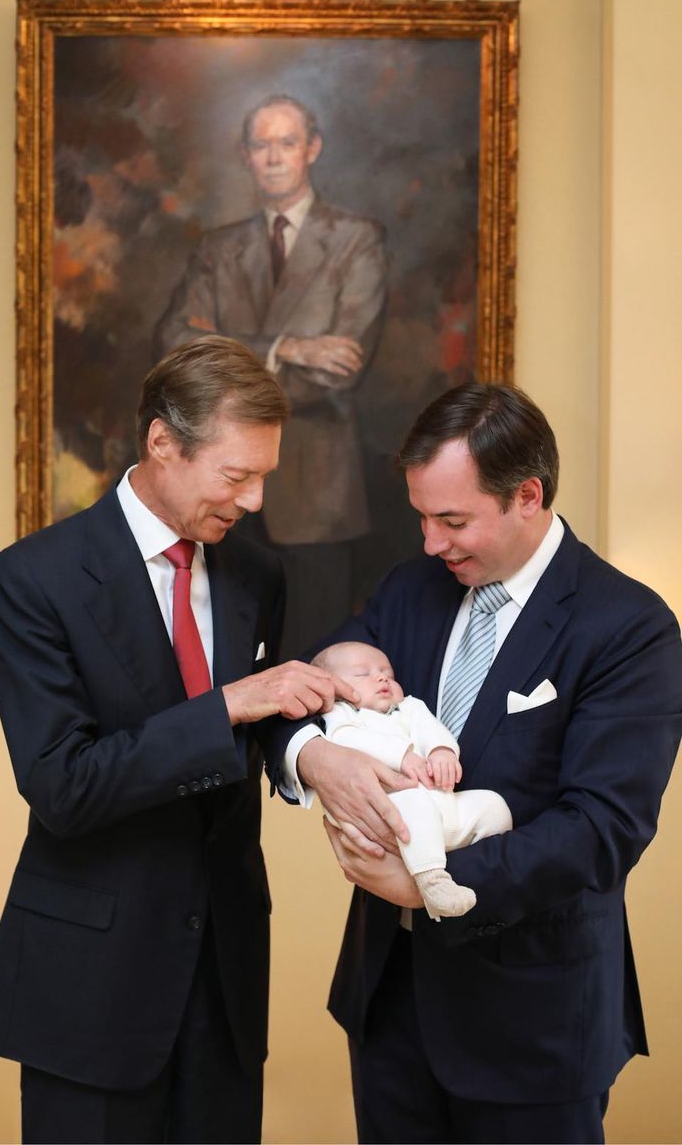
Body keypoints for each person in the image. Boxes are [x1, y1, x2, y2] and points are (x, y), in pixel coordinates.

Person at [0, 336, 365, 1145]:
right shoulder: (30, 578)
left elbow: (262, 728)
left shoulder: (258, 574)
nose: (253, 501)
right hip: (88, 990)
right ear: (161, 444)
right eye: (235, 475)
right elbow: (63, 786)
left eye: (265, 476)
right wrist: (227, 704)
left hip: (224, 980)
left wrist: (316, 746)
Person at [273, 382, 682, 1144]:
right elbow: (301, 686)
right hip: (388, 1003)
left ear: (527, 496)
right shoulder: (410, 587)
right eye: (421, 517)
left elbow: (604, 827)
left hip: (536, 1025)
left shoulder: (627, 626)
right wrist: (316, 755)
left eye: (452, 520)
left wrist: (433, 884)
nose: (430, 543)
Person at [154, 94, 387, 657]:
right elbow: (173, 345)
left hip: (316, 497)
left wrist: (226, 370)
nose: (274, 156)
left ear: (313, 148)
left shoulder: (357, 239)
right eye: (261, 144)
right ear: (246, 155)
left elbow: (339, 373)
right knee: (225, 668)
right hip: (216, 493)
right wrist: (291, 346)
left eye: (287, 142)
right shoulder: (218, 248)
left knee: (315, 670)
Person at [314, 641, 512, 918]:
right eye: (362, 674)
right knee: (413, 801)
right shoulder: (340, 714)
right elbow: (345, 740)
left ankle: (467, 869)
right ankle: (432, 881)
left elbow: (432, 730)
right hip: (388, 812)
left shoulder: (410, 707)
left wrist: (441, 751)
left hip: (443, 809)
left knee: (493, 804)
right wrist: (402, 756)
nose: (382, 677)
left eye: (387, 673)